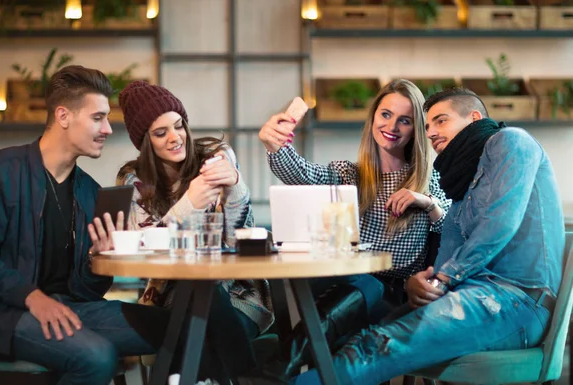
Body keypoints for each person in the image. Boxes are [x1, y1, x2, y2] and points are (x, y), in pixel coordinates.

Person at [286, 87, 565, 385]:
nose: (431, 132)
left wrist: (442, 279)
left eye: (441, 121)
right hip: (473, 296)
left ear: (474, 118)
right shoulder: (460, 189)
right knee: (363, 337)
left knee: (374, 345)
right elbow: (445, 257)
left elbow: (500, 223)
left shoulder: (511, 141)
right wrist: (421, 284)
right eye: (428, 126)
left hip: (518, 302)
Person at [0, 65, 170, 385]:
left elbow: (84, 292)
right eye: (98, 117)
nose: (107, 128)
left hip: (68, 308)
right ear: (63, 116)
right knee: (97, 356)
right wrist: (33, 297)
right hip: (2, 314)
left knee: (174, 328)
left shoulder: (91, 193)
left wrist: (97, 262)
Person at [258, 79, 451, 374]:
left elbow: (453, 226)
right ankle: (286, 367)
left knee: (368, 284)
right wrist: (276, 146)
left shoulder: (427, 180)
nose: (393, 126)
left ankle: (281, 366)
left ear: (416, 130)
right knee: (347, 282)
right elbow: (300, 173)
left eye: (405, 121)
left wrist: (427, 203)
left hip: (396, 299)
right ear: (373, 117)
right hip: (344, 287)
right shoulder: (348, 174)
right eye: (385, 115)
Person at [115, 80, 275, 378]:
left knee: (200, 307)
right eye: (161, 133)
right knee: (197, 301)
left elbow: (233, 238)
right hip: (172, 298)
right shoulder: (134, 181)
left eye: (179, 126)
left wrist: (235, 184)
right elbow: (147, 255)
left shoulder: (215, 156)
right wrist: (188, 204)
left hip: (237, 294)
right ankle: (254, 377)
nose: (176, 138)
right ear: (144, 142)